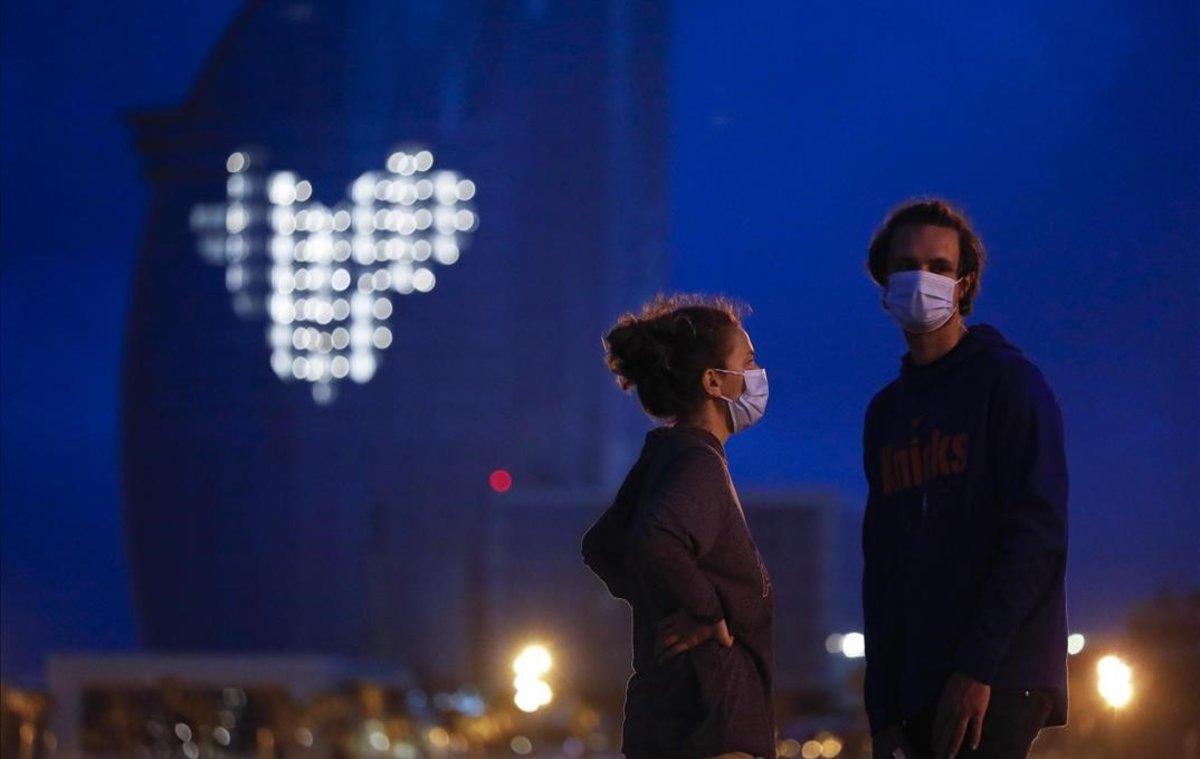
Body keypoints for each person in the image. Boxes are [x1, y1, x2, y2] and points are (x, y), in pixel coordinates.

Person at [860, 199, 1069, 759]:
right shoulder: (887, 413)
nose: (920, 279)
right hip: (916, 683)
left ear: (964, 283)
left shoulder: (1010, 385)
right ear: (883, 279)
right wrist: (881, 710)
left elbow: (1037, 535)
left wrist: (979, 668)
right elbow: (881, 563)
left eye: (938, 266)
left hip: (998, 674)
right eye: (905, 265)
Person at [581, 294, 776, 759]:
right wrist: (708, 613)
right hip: (713, 720)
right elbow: (655, 539)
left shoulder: (665, 455)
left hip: (663, 713)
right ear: (714, 382)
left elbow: (601, 546)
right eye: (747, 362)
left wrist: (661, 601)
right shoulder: (698, 462)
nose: (757, 374)